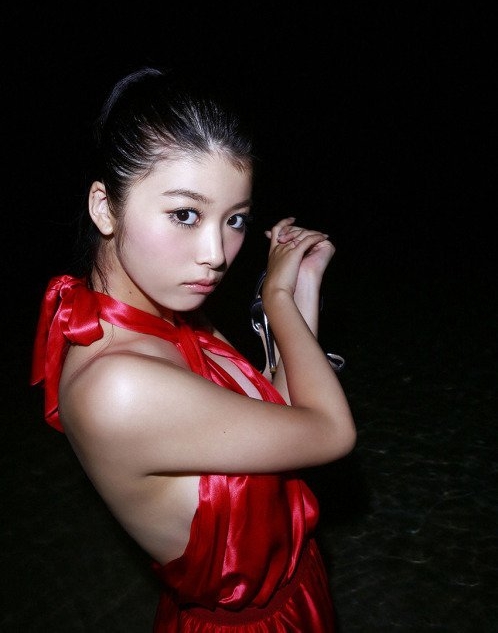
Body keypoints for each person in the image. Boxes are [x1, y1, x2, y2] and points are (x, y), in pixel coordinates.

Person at [31, 67, 356, 632]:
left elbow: (276, 414)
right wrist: (278, 298)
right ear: (104, 207)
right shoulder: (119, 385)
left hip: (295, 590)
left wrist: (303, 284)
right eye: (185, 214)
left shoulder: (163, 314)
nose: (216, 254)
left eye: (235, 220)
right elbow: (329, 433)